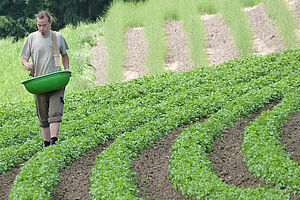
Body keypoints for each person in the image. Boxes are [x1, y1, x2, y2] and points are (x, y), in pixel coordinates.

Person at [20, 11, 70, 147]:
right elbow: (24, 58)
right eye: (39, 25)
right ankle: (46, 144)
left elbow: (64, 55)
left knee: (55, 113)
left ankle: (54, 141)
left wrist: (67, 69)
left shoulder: (57, 37)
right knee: (42, 116)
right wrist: (26, 65)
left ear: (50, 23)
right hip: (39, 83)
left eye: (44, 25)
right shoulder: (31, 38)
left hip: (55, 81)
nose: (42, 29)